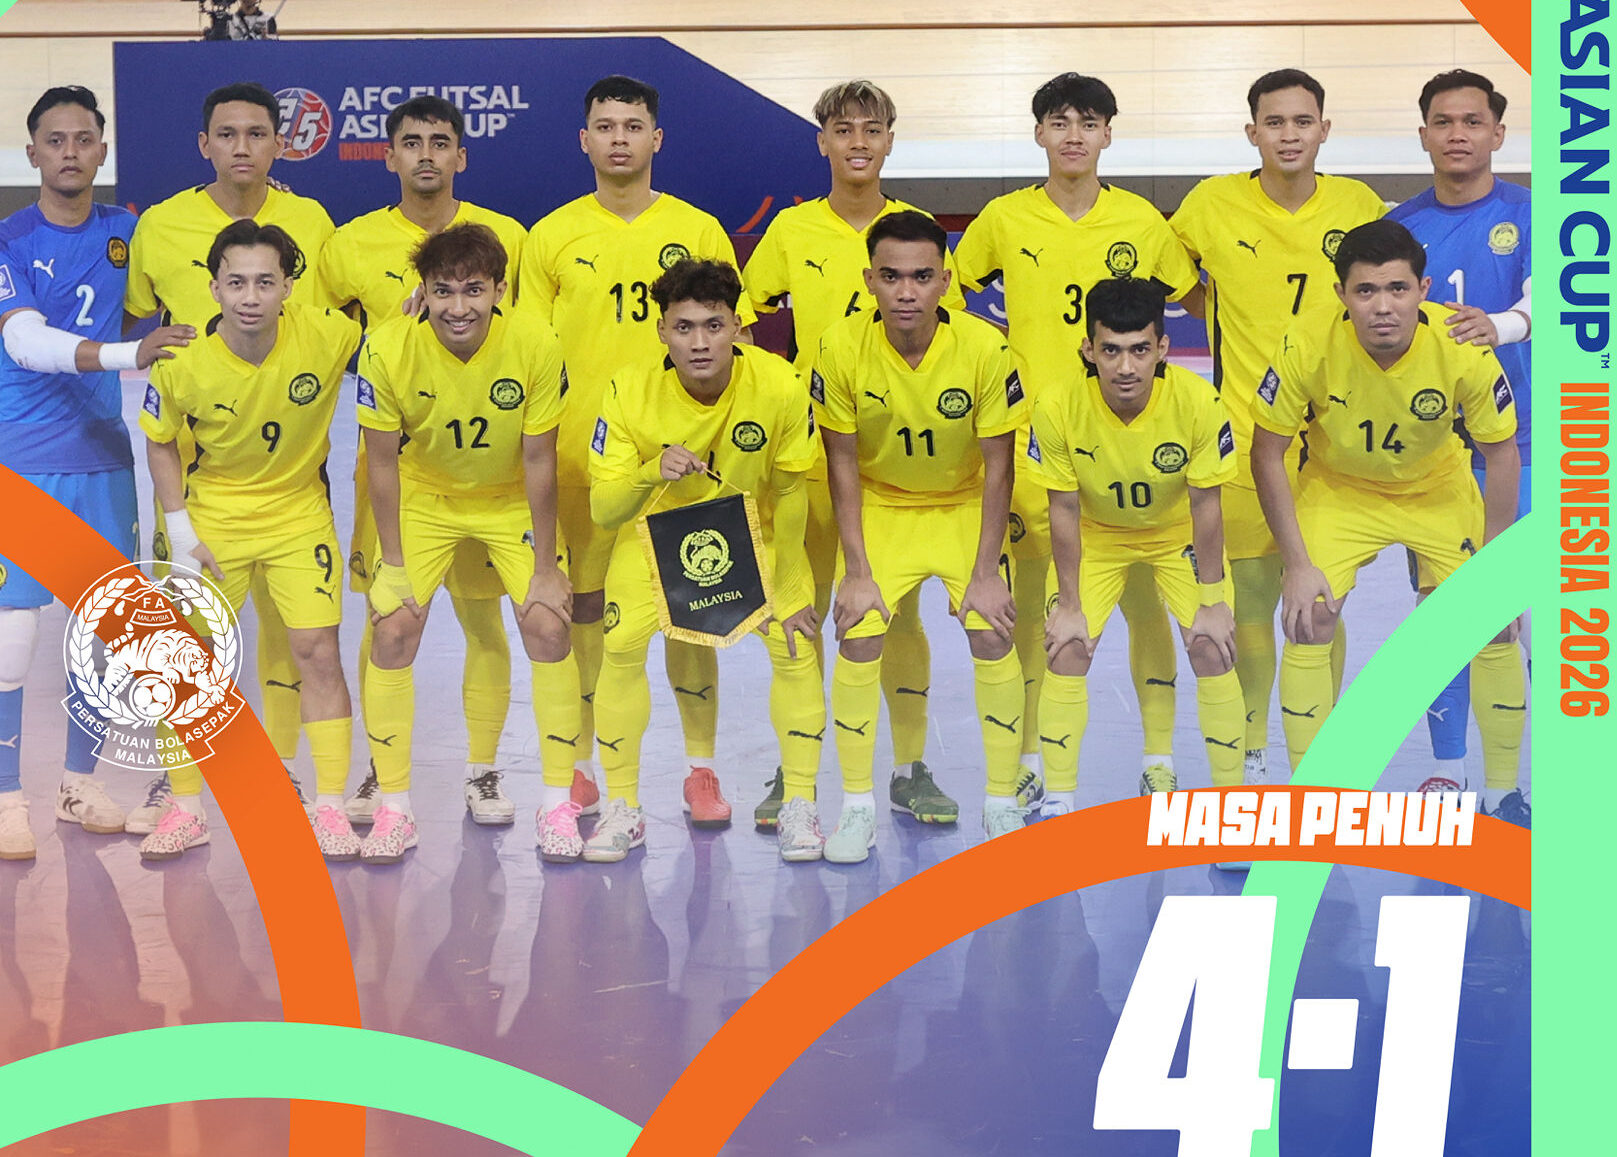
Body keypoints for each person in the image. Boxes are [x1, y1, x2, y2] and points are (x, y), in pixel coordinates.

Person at [318, 94, 576, 827]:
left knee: (497, 622)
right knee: (389, 619)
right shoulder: (352, 246)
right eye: (412, 141)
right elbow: (318, 331)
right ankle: (382, 778)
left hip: (499, 480)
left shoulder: (509, 240)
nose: (426, 154)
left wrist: (548, 559)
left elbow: (521, 359)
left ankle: (488, 772)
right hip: (411, 478)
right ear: (389, 154)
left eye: (440, 141)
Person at [741, 79, 978, 829]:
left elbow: (949, 339)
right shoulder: (791, 230)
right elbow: (745, 317)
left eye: (871, 130)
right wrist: (775, 394)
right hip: (808, 459)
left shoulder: (916, 235)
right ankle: (797, 769)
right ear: (822, 142)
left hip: (890, 472)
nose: (857, 143)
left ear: (890, 141)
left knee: (895, 619)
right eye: (843, 130)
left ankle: (909, 768)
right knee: (801, 612)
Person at [954, 72, 1198, 796]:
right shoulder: (1003, 219)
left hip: (1131, 442)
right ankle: (1032, 761)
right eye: (1059, 122)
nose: (1073, 136)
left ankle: (1158, 760)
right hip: (1038, 446)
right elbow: (952, 290)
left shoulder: (1142, 223)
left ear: (1108, 135)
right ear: (1038, 134)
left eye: (1088, 123)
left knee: (1146, 608)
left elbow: (1193, 297)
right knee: (1041, 611)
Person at [519, 75, 754, 827]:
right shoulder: (550, 236)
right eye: (605, 125)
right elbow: (526, 349)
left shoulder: (699, 228)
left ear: (657, 138)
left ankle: (700, 770)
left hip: (688, 463)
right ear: (583, 140)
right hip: (586, 463)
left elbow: (737, 343)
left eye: (632, 125)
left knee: (695, 612)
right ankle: (586, 767)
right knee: (588, 610)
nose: (618, 138)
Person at [123, 81, 336, 831]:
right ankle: (176, 785)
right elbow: (133, 318)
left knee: (291, 630)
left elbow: (335, 321)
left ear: (280, 144)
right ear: (204, 144)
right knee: (188, 638)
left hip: (285, 468)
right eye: (226, 133)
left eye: (256, 133)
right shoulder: (160, 224)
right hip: (189, 472)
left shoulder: (311, 221)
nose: (241, 147)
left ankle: (279, 768)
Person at [1171, 68, 1386, 784]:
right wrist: (1224, 312)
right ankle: (1254, 749)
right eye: (1274, 122)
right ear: (1251, 131)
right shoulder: (1210, 204)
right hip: (1241, 435)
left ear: (1324, 128)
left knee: (1320, 601)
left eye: (1302, 121)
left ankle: (1319, 754)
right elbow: (1174, 278)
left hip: (1330, 443)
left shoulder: (1357, 204)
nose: (1288, 135)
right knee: (1254, 600)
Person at [1250, 220, 1523, 785]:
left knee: (1494, 624)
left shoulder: (1460, 343)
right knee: (1307, 617)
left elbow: (1501, 454)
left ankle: (1501, 793)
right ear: (1341, 293)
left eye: (1398, 288)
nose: (1382, 307)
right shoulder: (1305, 342)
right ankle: (1313, 794)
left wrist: (1498, 567)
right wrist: (1297, 565)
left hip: (1437, 490)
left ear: (1423, 289)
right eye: (1365, 290)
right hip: (1340, 490)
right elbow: (1266, 453)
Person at [0, 86, 192, 861]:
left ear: (103, 151)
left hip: (104, 458)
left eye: (84, 139)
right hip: (23, 461)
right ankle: (6, 795)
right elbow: (25, 342)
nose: (70, 151)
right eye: (56, 140)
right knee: (12, 633)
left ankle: (79, 783)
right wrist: (127, 353)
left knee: (103, 633)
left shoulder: (129, 232)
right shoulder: (8, 240)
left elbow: (202, 277)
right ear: (33, 153)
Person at [586, 259, 824, 863]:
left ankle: (800, 803)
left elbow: (792, 491)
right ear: (661, 331)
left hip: (752, 533)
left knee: (795, 642)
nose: (699, 343)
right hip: (655, 535)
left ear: (738, 328)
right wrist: (649, 471)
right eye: (684, 327)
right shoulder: (628, 389)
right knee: (620, 645)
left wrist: (788, 586)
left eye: (714, 326)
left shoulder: (780, 384)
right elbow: (605, 510)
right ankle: (622, 805)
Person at [357, 223, 579, 865]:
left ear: (500, 291)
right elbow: (381, 463)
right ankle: (395, 809)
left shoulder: (535, 342)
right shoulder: (388, 346)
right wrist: (392, 564)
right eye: (444, 291)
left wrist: (545, 568)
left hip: (508, 498)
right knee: (392, 629)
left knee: (548, 625)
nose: (458, 307)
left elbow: (539, 460)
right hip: (425, 496)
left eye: (474, 290)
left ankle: (556, 805)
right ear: (423, 292)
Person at [139, 221, 360, 861]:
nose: (250, 297)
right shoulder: (183, 362)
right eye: (236, 283)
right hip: (214, 519)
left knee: (317, 652)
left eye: (266, 282)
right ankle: (186, 808)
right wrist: (182, 530)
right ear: (214, 289)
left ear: (288, 287)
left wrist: (416, 306)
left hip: (298, 514)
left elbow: (396, 335)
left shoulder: (327, 334)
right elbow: (159, 442)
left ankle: (329, 807)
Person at [816, 211, 1024, 863]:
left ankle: (1001, 801)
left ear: (945, 281)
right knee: (859, 630)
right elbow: (840, 463)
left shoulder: (985, 348)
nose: (906, 291)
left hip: (963, 504)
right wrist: (856, 570)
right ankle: (856, 808)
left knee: (991, 629)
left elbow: (999, 466)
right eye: (891, 277)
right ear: (868, 280)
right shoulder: (840, 347)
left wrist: (986, 572)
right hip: (883, 503)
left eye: (921, 277)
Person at [1029, 278, 1242, 818]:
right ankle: (1059, 802)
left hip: (1176, 536)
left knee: (1212, 646)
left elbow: (1207, 507)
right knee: (1067, 646)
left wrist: (1212, 601)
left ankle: (1233, 805)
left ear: (1163, 348)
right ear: (1088, 349)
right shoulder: (1056, 406)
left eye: (1140, 350)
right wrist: (1070, 605)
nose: (1126, 367)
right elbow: (1063, 510)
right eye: (1111, 351)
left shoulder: (1198, 402)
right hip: (1097, 537)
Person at [1386, 70, 1531, 826]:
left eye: (1473, 122)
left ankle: (1512, 782)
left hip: (1524, 442)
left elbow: (1562, 298)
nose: (1457, 135)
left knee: (1518, 614)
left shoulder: (1534, 213)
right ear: (1422, 135)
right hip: (1435, 456)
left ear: (1498, 133)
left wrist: (1501, 326)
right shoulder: (1400, 228)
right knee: (1443, 610)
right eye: (1442, 122)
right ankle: (1448, 772)